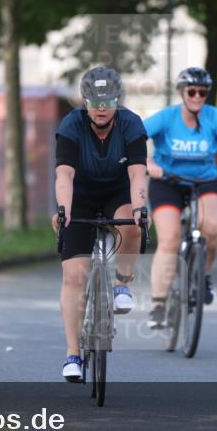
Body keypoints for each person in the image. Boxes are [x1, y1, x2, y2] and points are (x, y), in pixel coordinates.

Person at [53, 65, 148, 381]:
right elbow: (64, 174)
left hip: (116, 192)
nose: (102, 107)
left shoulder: (131, 124)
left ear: (118, 100)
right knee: (74, 276)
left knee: (132, 225)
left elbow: (137, 174)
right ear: (85, 101)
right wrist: (64, 210)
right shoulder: (71, 125)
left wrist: (140, 207)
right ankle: (72, 354)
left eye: (108, 100)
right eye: (95, 101)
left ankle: (122, 282)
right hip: (79, 196)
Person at [143, 67, 217, 328]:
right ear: (182, 93)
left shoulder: (214, 117)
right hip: (167, 181)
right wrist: (147, 162)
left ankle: (204, 275)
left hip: (205, 181)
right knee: (169, 239)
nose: (197, 96)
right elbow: (131, 138)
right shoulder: (167, 118)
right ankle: (158, 303)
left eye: (203, 92)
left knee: (212, 227)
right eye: (192, 91)